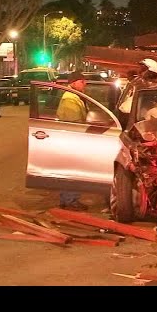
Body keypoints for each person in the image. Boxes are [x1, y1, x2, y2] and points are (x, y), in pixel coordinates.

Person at [56, 70, 89, 210]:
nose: (85, 84)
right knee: (74, 170)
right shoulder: (70, 99)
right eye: (82, 81)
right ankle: (70, 200)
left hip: (69, 139)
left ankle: (66, 199)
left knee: (68, 170)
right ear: (74, 83)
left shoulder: (75, 96)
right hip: (72, 139)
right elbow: (74, 123)